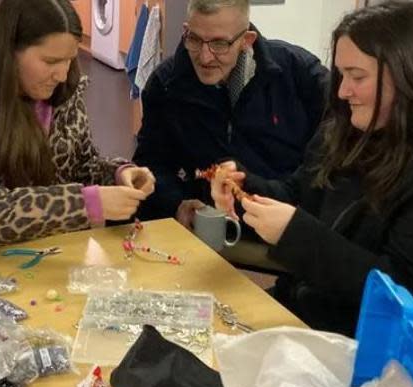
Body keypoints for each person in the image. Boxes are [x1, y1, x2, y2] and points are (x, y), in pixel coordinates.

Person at [211, 1, 413, 367]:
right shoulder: (354, 128)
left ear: (409, 76)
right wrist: (244, 188)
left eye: (357, 77)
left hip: (407, 361)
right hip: (324, 318)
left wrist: (296, 234)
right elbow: (301, 195)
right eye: (341, 74)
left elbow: (401, 294)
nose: (342, 91)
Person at [132, 0, 329, 227]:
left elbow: (332, 160)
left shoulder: (300, 74)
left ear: (247, 41)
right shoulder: (165, 84)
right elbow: (150, 163)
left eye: (219, 44)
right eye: (194, 39)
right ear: (185, 30)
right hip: (207, 230)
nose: (205, 57)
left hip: (286, 229)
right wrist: (177, 203)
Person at [0, 0, 155, 247]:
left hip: (56, 255)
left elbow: (82, 164)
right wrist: (84, 204)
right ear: (9, 51)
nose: (62, 75)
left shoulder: (66, 94)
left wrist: (118, 174)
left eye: (69, 59)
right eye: (50, 61)